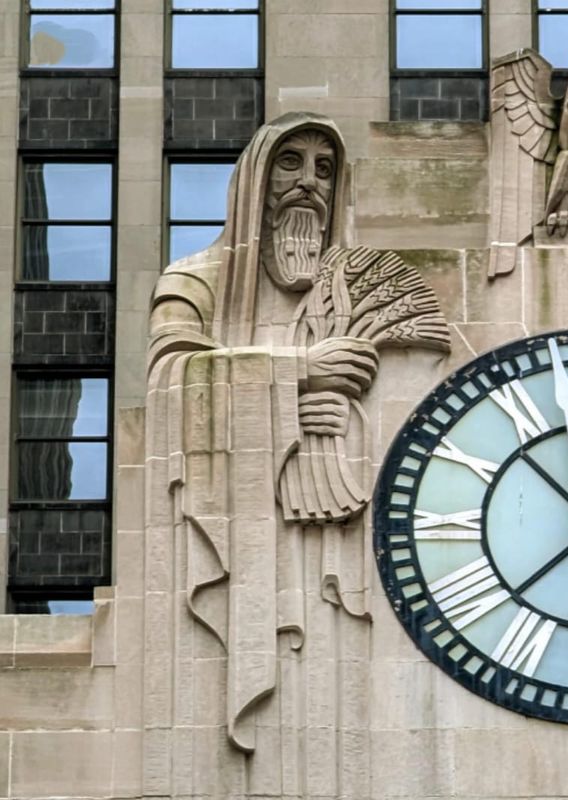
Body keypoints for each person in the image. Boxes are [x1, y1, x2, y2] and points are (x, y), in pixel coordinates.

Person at [144, 112, 377, 791]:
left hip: (334, 566)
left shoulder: (350, 298)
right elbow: (169, 381)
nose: (308, 183)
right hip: (241, 551)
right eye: (291, 163)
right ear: (254, 179)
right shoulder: (195, 280)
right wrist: (298, 372)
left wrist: (345, 420)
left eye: (324, 170)